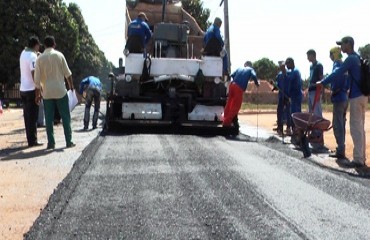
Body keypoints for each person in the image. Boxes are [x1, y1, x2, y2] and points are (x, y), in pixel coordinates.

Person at [317, 36, 367, 168]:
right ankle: (362, 156)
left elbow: (338, 73)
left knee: (355, 128)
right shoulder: (357, 57)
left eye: (342, 45)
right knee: (361, 128)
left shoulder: (350, 59)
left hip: (356, 97)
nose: (341, 48)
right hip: (363, 96)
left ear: (349, 44)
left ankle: (358, 160)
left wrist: (322, 82)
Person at [34, 36, 75, 149]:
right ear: (54, 44)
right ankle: (69, 141)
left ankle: (51, 143)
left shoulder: (39, 59)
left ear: (44, 45)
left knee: (49, 119)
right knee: (65, 117)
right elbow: (68, 74)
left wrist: (37, 95)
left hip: (47, 93)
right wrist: (71, 87)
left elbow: (37, 81)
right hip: (60, 91)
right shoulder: (59, 55)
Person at [319, 47, 348, 159]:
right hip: (345, 97)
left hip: (338, 97)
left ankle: (340, 149)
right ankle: (341, 147)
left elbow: (334, 76)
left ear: (334, 54)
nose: (330, 57)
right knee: (342, 124)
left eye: (330, 54)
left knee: (337, 125)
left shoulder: (337, 65)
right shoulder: (344, 65)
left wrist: (323, 82)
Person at [19, 36, 43, 147]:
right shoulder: (33, 56)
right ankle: (33, 141)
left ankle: (30, 140)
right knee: (33, 117)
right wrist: (39, 90)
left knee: (27, 117)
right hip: (31, 90)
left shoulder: (23, 53)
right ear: (36, 45)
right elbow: (34, 74)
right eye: (39, 46)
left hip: (23, 89)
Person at [223, 61, 259, 127]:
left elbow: (232, 75)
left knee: (229, 103)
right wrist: (257, 83)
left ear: (245, 65)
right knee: (236, 106)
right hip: (238, 88)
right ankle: (226, 123)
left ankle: (224, 119)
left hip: (232, 85)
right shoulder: (251, 69)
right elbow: (254, 75)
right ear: (250, 66)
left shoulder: (239, 68)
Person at [306, 49, 325, 150]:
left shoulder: (319, 65)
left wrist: (321, 91)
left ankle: (319, 134)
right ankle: (314, 132)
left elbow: (321, 78)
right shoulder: (311, 66)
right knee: (311, 113)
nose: (307, 58)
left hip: (316, 91)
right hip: (310, 90)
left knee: (317, 112)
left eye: (308, 56)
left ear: (313, 55)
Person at [272, 61, 291, 135]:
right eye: (280, 66)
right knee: (279, 111)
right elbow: (277, 85)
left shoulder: (289, 74)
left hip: (287, 96)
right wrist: (274, 86)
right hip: (281, 96)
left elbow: (290, 84)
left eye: (283, 66)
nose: (282, 68)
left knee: (288, 112)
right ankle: (280, 128)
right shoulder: (279, 75)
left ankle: (288, 128)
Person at [285, 57, 303, 131]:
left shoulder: (295, 71)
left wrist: (284, 72)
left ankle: (297, 129)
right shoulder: (292, 71)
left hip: (296, 95)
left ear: (291, 63)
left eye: (287, 64)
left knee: (296, 113)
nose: (286, 66)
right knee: (293, 112)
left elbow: (289, 78)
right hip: (293, 95)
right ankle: (294, 129)